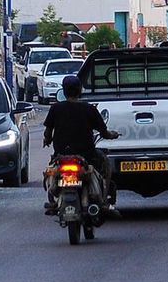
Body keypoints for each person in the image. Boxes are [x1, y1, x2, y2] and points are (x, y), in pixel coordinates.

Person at [42, 75, 119, 213]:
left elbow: (48, 132)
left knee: (51, 169)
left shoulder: (56, 108)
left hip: (61, 155)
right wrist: (113, 135)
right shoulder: (89, 109)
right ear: (79, 90)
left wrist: (47, 140)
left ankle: (54, 201)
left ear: (64, 91)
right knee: (105, 163)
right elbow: (104, 132)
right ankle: (104, 201)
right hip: (87, 155)